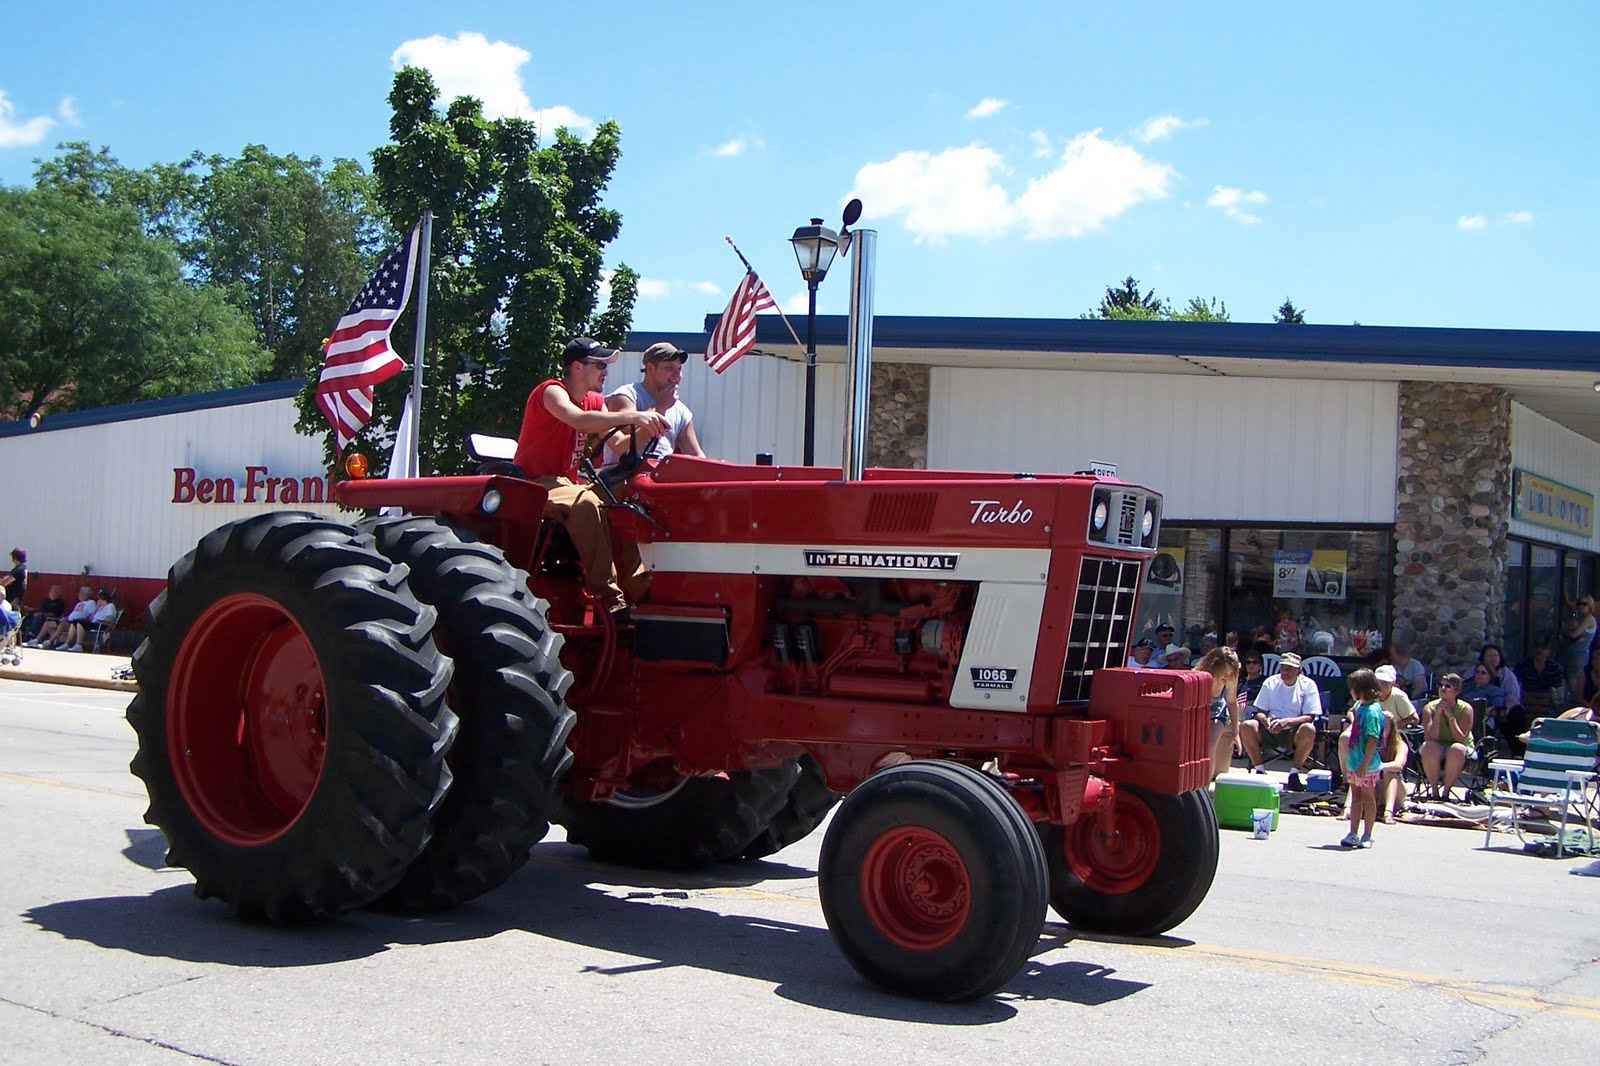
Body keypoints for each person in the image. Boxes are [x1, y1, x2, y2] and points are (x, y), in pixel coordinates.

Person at [512, 337, 670, 614]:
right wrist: (635, 416)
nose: (605, 372)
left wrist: (654, 417)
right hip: (534, 484)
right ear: (577, 367)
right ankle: (607, 598)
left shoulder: (594, 401)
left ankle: (640, 591)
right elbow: (578, 419)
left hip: (566, 484)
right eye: (599, 365)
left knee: (624, 500)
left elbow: (620, 446)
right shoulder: (551, 391)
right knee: (586, 502)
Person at [601, 342, 705, 470]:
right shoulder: (626, 396)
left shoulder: (682, 411)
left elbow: (696, 455)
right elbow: (624, 447)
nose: (677, 374)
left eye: (679, 369)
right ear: (650, 368)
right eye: (669, 368)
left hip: (660, 480)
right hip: (622, 480)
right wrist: (660, 408)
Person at [1239, 651, 1322, 790]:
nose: (1285, 671)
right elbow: (1259, 711)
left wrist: (1287, 722)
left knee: (1309, 729)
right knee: (1247, 726)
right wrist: (1266, 721)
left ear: (1299, 671)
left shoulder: (1308, 685)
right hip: (1269, 728)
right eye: (1283, 667)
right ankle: (1260, 770)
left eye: (1290, 668)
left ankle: (1294, 774)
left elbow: (1310, 716)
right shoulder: (1271, 682)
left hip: (1294, 730)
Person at [1340, 667, 1385, 849]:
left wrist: (1364, 766)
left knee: (1368, 797)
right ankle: (1353, 832)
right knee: (1356, 796)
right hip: (1354, 760)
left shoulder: (1373, 712)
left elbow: (1373, 740)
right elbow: (1352, 710)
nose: (1350, 692)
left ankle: (1367, 834)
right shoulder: (1360, 706)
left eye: (1353, 688)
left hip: (1367, 764)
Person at [1374, 664, 1420, 823]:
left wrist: (1392, 726)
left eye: (1385, 683)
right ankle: (1350, 808)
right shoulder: (1369, 696)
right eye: (1378, 681)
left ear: (1392, 684)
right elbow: (1353, 710)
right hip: (1373, 775)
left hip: (1397, 735)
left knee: (1390, 772)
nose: (1381, 686)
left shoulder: (1398, 696)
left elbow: (1414, 719)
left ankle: (1388, 812)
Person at [1421, 672, 1475, 801]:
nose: (1442, 688)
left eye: (1447, 686)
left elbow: (1460, 739)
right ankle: (1434, 792)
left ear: (1456, 691)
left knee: (1456, 748)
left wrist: (1451, 717)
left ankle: (1445, 792)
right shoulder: (1429, 708)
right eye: (1441, 685)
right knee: (1429, 747)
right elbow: (1430, 737)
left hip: (1460, 747)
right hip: (1438, 745)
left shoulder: (1465, 709)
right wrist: (1438, 715)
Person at [1195, 646, 1242, 780]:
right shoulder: (1199, 675)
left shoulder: (1231, 677)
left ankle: (1205, 785)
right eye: (1224, 672)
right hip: (1197, 708)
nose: (1227, 676)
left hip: (1217, 710)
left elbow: (1232, 703)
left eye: (1230, 672)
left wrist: (1235, 732)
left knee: (1210, 746)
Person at [1514, 638, 1565, 721]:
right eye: (1537, 647)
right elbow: (1516, 688)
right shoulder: (1522, 666)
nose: (1539, 650)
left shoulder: (1555, 668)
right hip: (1525, 704)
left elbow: (1559, 693)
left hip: (1547, 708)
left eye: (1543, 648)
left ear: (1549, 651)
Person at [1562, 594, 1598, 696]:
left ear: (1590, 606)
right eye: (1579, 603)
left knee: (1573, 681)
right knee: (1569, 678)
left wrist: (1568, 631)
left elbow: (1573, 634)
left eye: (1585, 604)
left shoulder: (1589, 618)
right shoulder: (1579, 618)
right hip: (1571, 652)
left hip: (1579, 654)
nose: (1581, 606)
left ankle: (1577, 702)